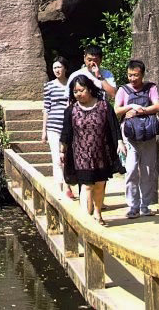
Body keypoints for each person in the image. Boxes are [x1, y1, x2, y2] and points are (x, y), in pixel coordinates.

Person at [60, 74, 126, 226]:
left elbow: (113, 126)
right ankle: (86, 220)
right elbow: (66, 133)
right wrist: (62, 151)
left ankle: (98, 213)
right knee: (87, 185)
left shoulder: (104, 106)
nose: (78, 94)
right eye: (75, 91)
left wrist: (119, 142)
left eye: (81, 90)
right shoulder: (71, 110)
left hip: (101, 153)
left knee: (99, 184)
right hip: (81, 155)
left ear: (89, 89)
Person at [114, 59, 159, 218]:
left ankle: (145, 205)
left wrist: (142, 111)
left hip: (148, 135)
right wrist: (130, 107)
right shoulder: (123, 90)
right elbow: (116, 110)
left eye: (136, 75)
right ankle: (133, 206)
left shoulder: (151, 88)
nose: (132, 79)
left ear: (142, 75)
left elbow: (157, 106)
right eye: (129, 75)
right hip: (130, 135)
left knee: (148, 171)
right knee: (131, 170)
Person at [41, 57, 77, 200]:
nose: (57, 70)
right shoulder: (49, 86)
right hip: (53, 126)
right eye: (54, 67)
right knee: (56, 158)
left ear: (65, 68)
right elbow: (46, 108)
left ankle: (68, 184)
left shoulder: (72, 84)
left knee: (68, 157)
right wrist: (43, 131)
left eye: (59, 67)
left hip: (69, 126)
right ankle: (61, 188)